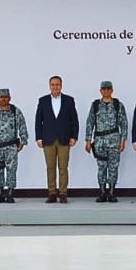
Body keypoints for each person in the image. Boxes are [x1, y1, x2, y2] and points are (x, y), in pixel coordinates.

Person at [35, 76, 79, 204]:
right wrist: (38, 137)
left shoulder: (69, 100)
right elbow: (38, 121)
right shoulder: (43, 101)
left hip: (64, 138)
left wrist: (74, 136)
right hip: (48, 139)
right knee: (50, 167)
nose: (55, 87)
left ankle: (63, 193)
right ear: (50, 86)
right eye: (53, 84)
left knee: (63, 167)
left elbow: (74, 120)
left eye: (57, 84)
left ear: (61, 85)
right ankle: (52, 193)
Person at [85, 81, 128, 203]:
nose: (106, 91)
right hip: (100, 142)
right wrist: (88, 140)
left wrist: (123, 140)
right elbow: (90, 123)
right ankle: (103, 192)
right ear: (100, 91)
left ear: (112, 90)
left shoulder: (118, 105)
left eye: (108, 89)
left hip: (114, 141)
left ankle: (112, 193)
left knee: (113, 168)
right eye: (104, 89)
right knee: (101, 168)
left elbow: (124, 124)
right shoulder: (95, 105)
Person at [0, 88, 28, 203]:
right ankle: (0, 193)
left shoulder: (15, 111)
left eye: (5, 97)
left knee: (11, 170)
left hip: (11, 147)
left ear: (9, 98)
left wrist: (23, 141)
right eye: (1, 97)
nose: (3, 99)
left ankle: (10, 194)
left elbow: (22, 125)